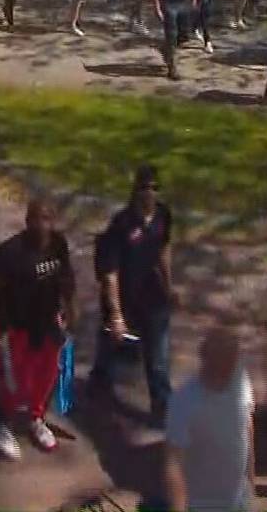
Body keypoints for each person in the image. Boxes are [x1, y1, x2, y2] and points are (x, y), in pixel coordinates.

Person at [0, 197, 76, 460]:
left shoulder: (58, 244)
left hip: (47, 324)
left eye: (46, 219)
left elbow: (66, 278)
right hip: (15, 328)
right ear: (27, 221)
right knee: (15, 384)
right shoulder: (10, 252)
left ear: (52, 221)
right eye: (35, 218)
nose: (41, 225)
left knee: (46, 377)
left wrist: (71, 308)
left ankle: (36, 418)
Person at [89, 164, 177, 427]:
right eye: (143, 188)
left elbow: (163, 250)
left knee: (158, 357)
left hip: (152, 296)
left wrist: (169, 286)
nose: (149, 194)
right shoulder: (122, 224)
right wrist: (116, 315)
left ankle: (162, 405)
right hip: (122, 296)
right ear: (135, 191)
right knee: (111, 345)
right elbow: (110, 272)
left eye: (153, 188)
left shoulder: (163, 216)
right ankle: (99, 381)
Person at [165, 327, 255, 512]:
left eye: (231, 365)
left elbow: (247, 427)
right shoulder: (184, 401)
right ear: (206, 363)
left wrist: (251, 484)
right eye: (222, 367)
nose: (228, 374)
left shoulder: (240, 379)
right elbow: (174, 462)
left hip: (239, 500)